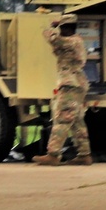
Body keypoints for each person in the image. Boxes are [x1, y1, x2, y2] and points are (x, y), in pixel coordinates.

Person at [33, 14, 92, 166]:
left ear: (66, 28)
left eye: (62, 28)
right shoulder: (76, 41)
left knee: (62, 118)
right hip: (77, 83)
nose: (61, 31)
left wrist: (52, 27)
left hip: (70, 84)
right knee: (76, 121)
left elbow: (51, 38)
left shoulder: (69, 42)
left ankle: (53, 154)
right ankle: (84, 154)